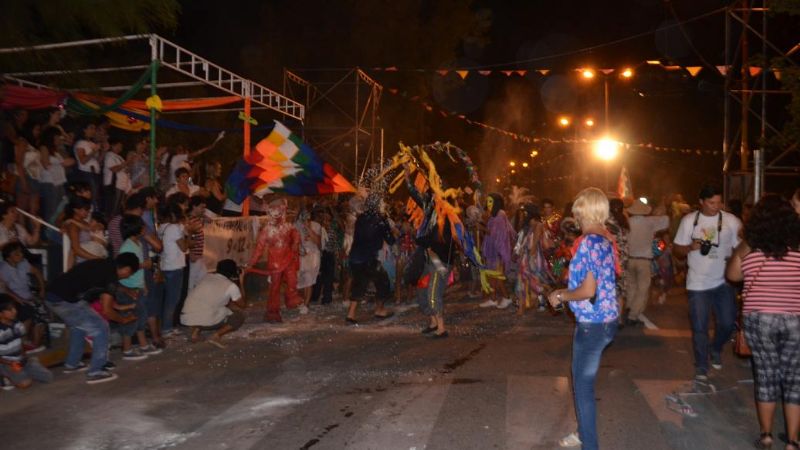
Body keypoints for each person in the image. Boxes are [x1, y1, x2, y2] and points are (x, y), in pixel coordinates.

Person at [547, 187, 619, 450]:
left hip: (593, 325)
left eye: (578, 211)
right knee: (583, 383)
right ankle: (582, 432)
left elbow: (588, 291)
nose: (575, 217)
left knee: (583, 387)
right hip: (607, 322)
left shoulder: (589, 242)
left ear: (585, 211)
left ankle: (589, 444)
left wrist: (560, 295)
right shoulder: (606, 239)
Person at [726, 194, 800, 450]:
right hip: (795, 318)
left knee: (766, 376)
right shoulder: (798, 247)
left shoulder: (751, 248)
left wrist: (745, 245)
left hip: (760, 318)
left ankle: (767, 436)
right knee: (794, 379)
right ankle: (792, 441)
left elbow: (733, 275)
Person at [673, 184, 742, 380]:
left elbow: (741, 249)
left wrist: (734, 260)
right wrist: (689, 248)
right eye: (711, 202)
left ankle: (716, 347)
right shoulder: (689, 221)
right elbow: (677, 249)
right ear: (701, 202)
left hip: (724, 281)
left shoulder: (731, 221)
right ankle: (702, 365)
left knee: (728, 323)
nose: (716, 206)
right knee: (699, 326)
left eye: (719, 202)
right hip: (697, 283)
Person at [45, 253, 140, 384]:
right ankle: (96, 371)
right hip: (65, 301)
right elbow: (107, 311)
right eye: (130, 274)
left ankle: (72, 364)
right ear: (127, 269)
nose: (128, 276)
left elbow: (106, 288)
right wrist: (124, 320)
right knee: (101, 328)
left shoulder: (104, 264)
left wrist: (126, 290)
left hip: (53, 295)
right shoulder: (111, 276)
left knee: (78, 326)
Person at [245, 198, 302, 323]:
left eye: (281, 211)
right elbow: (258, 251)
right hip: (275, 264)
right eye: (277, 212)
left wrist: (295, 244)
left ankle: (290, 299)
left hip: (288, 260)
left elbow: (296, 235)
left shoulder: (288, 226)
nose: (279, 214)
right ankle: (273, 312)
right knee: (274, 288)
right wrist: (250, 264)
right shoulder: (266, 231)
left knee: (292, 282)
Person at [345, 194, 396, 325]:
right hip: (368, 258)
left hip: (355, 258)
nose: (383, 205)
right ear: (378, 205)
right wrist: (394, 233)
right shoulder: (381, 219)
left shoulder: (361, 217)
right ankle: (379, 309)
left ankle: (351, 314)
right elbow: (390, 239)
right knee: (384, 282)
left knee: (359, 284)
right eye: (382, 203)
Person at [118, 215, 162, 358]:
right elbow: (124, 269)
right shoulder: (127, 246)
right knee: (131, 319)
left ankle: (143, 345)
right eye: (142, 226)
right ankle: (127, 349)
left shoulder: (138, 243)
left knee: (141, 317)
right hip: (128, 288)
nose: (144, 228)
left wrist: (144, 285)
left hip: (138, 285)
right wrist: (144, 265)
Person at [181, 259, 246, 349]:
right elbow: (242, 304)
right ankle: (216, 336)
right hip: (205, 318)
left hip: (186, 318)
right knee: (238, 316)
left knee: (208, 306)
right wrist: (241, 282)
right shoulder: (231, 286)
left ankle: (195, 334)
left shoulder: (206, 277)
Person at [624, 199, 668, 326]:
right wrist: (660, 211)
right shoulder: (650, 222)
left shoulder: (627, 222)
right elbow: (666, 221)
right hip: (644, 261)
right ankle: (633, 316)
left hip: (629, 259)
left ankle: (628, 308)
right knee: (643, 289)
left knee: (632, 286)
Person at [0, 242, 47, 353]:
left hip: (28, 296)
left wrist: (42, 289)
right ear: (9, 258)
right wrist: (19, 299)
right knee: (29, 312)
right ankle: (23, 342)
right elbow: (5, 289)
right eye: (17, 254)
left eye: (20, 252)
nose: (20, 255)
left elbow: (37, 273)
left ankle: (33, 344)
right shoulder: (3, 269)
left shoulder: (24, 263)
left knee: (42, 313)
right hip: (11, 298)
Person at [0, 295, 53, 389]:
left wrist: (23, 357)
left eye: (14, 308)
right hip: (5, 362)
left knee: (48, 377)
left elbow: (20, 342)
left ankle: (24, 370)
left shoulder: (17, 324)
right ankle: (5, 376)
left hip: (19, 359)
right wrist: (10, 363)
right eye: (10, 310)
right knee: (25, 384)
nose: (14, 311)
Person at [158, 202, 189, 337]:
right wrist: (188, 236)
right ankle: (166, 328)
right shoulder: (174, 228)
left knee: (167, 299)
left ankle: (166, 326)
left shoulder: (162, 227)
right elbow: (184, 247)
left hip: (165, 265)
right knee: (173, 299)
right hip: (174, 266)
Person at [479, 193, 515, 309]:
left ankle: (507, 297)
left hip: (498, 252)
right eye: (488, 201)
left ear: (496, 202)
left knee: (497, 277)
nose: (488, 204)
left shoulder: (500, 215)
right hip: (492, 251)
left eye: (490, 201)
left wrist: (480, 227)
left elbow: (495, 234)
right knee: (491, 277)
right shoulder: (494, 215)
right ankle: (493, 298)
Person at [605, 198, 629, 324]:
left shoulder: (609, 223)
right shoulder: (624, 221)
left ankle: (611, 318)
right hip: (623, 260)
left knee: (611, 289)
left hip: (612, 261)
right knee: (620, 290)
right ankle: (619, 318)